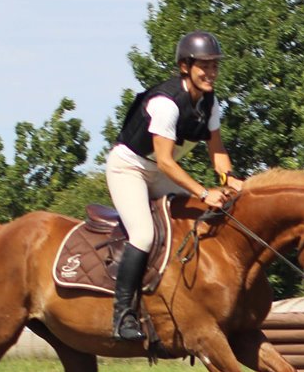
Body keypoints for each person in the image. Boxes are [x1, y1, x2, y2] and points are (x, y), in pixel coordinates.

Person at [105, 30, 244, 341]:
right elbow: (167, 161)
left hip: (158, 170)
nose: (210, 72)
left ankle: (178, 302)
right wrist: (205, 192)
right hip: (130, 167)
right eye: (203, 66)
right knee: (144, 234)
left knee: (196, 221)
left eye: (214, 66)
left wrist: (229, 179)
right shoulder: (166, 103)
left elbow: (217, 151)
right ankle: (122, 315)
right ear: (185, 67)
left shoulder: (210, 103)